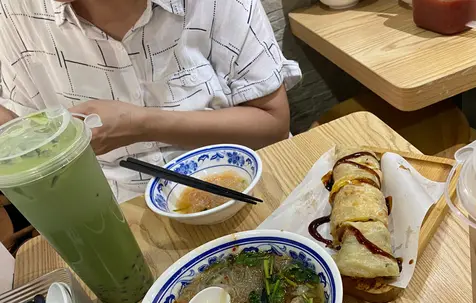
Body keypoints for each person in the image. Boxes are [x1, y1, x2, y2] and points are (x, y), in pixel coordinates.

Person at [0, 0, 301, 202]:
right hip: (116, 213)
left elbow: (272, 124)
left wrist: (141, 124)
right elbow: (24, 144)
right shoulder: (15, 14)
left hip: (246, 179)